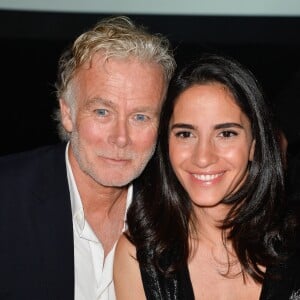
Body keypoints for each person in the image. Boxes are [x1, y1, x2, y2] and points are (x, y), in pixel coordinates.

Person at [0, 16, 176, 299]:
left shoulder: (178, 215)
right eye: (102, 112)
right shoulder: (7, 198)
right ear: (68, 113)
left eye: (140, 116)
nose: (121, 137)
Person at [114, 54, 299, 299]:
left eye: (226, 134)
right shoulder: (140, 255)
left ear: (254, 143)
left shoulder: (294, 241)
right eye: (185, 134)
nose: (203, 157)